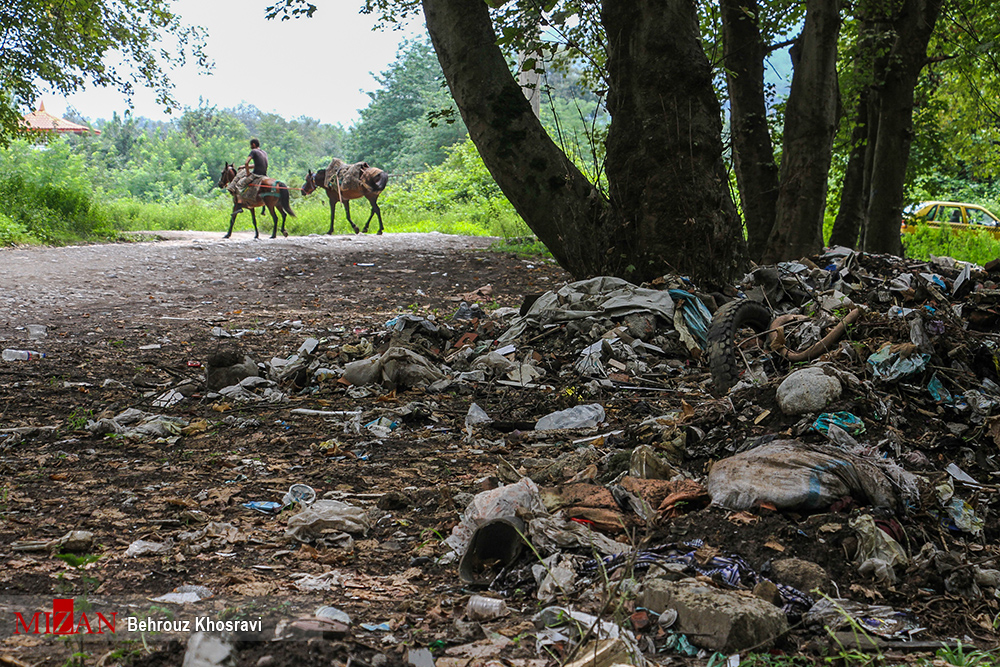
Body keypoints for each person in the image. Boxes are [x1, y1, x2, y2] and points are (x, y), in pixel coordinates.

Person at [228, 138, 269, 206]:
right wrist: (244, 167)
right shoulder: (264, 152)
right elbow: (258, 165)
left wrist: (248, 173)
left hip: (256, 175)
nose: (250, 147)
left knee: (238, 185)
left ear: (253, 144)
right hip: (264, 175)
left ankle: (239, 204)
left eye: (251, 145)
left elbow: (246, 162)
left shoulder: (253, 151)